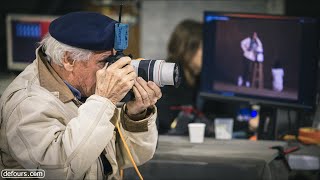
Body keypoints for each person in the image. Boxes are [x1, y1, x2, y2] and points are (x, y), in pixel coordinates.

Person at [0, 11, 162, 179]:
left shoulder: (84, 90)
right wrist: (104, 101)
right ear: (68, 60)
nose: (113, 71)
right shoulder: (28, 103)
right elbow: (59, 170)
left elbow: (124, 159)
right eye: (105, 62)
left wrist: (135, 115)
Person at [156, 19, 203, 135]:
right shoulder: (168, 76)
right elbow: (165, 122)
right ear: (187, 48)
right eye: (203, 48)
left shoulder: (197, 77)